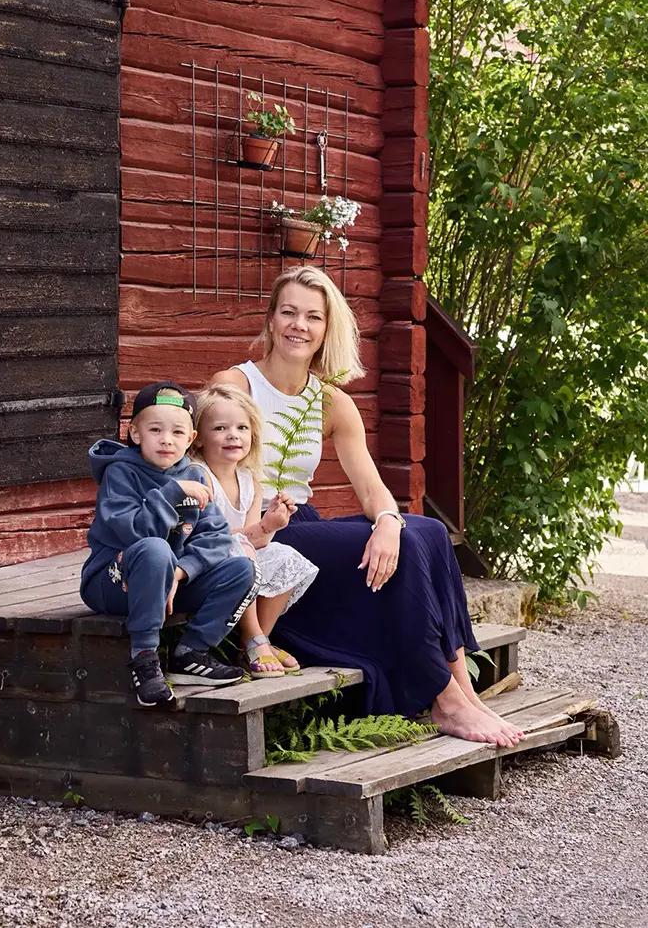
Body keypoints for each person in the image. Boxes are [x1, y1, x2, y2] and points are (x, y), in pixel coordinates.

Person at [212, 266, 524, 746]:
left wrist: (388, 522)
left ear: (326, 329)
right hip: (260, 527)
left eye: (313, 317)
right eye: (289, 312)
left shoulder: (331, 401)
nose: (299, 325)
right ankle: (446, 699)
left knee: (427, 532)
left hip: (302, 520)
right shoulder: (237, 383)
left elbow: (371, 486)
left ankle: (462, 688)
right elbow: (208, 464)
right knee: (414, 546)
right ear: (271, 319)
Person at [80, 381, 258, 708]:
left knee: (242, 568)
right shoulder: (120, 474)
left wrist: (179, 572)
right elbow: (135, 532)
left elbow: (216, 537)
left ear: (190, 439)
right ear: (135, 434)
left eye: (177, 432)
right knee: (155, 548)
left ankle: (190, 652)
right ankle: (145, 658)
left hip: (167, 583)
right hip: (112, 584)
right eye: (155, 430)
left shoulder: (195, 475)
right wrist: (172, 493)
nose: (166, 439)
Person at [191, 384, 318, 678]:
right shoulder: (198, 476)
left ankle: (259, 640)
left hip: (239, 555)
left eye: (242, 428)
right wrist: (261, 527)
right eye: (220, 428)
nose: (233, 435)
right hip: (203, 561)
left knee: (285, 557)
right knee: (241, 554)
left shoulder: (249, 480)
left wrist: (272, 524)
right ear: (197, 439)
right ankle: (253, 638)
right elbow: (214, 537)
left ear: (253, 435)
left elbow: (254, 539)